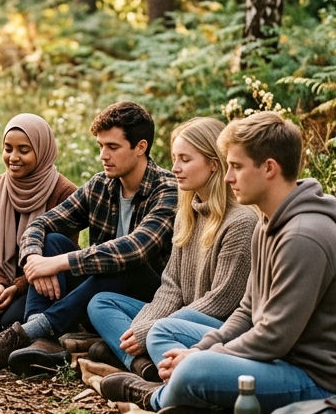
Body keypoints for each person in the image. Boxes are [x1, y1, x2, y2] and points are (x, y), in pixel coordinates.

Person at [100, 111, 336, 414]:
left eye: (237, 167)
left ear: (269, 168)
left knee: (194, 369)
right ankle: (211, 409)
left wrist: (201, 357)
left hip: (315, 380)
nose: (227, 178)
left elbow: (273, 337)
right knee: (171, 339)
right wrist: (200, 348)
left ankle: (154, 397)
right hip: (278, 360)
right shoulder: (268, 224)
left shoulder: (302, 236)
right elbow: (246, 311)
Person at [0, 101, 177, 375]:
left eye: (112, 147)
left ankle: (27, 333)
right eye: (100, 146)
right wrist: (35, 258)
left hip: (148, 298)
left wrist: (58, 263)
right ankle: (40, 340)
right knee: (51, 240)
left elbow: (135, 249)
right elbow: (40, 224)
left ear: (141, 147)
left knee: (123, 265)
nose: (103, 155)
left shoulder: (167, 190)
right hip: (99, 292)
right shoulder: (101, 185)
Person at [86, 117, 257, 379]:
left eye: (185, 160)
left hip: (215, 328)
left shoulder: (240, 222)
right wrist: (143, 326)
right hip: (175, 320)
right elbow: (171, 285)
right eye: (174, 158)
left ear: (214, 163)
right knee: (100, 303)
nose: (175, 168)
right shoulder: (186, 214)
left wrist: (153, 328)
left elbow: (221, 301)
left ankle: (135, 358)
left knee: (154, 333)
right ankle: (141, 363)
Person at [0, 114, 77, 337]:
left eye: (24, 150)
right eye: (8, 149)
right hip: (2, 277)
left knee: (11, 322)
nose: (13, 157)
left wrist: (17, 287)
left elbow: (60, 251)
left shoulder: (64, 192)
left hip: (42, 280)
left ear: (42, 151)